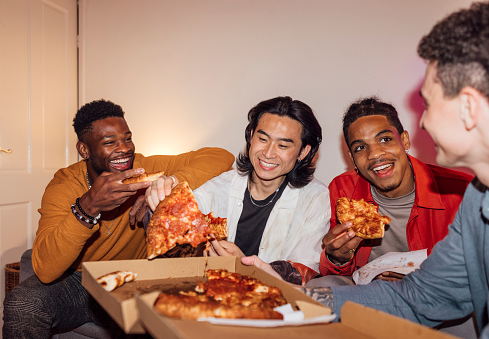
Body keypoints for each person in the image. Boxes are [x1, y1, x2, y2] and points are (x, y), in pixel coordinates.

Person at [243, 2, 489, 337]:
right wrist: (293, 296)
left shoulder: (463, 192)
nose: (424, 121)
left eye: (428, 104)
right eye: (359, 147)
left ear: (470, 108)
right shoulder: (478, 201)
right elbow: (426, 296)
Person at [2, 99, 234, 337]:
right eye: (109, 142)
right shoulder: (64, 186)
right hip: (81, 282)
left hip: (135, 278)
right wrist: (87, 208)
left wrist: (168, 184)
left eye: (127, 138)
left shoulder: (144, 169)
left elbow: (221, 156)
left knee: (173, 317)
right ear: (84, 150)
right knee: (22, 303)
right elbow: (45, 270)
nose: (124, 148)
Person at [310, 97, 472, 286]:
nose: (375, 154)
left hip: (440, 290)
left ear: (404, 140)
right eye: (361, 148)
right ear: (352, 158)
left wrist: (424, 278)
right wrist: (337, 258)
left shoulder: (460, 191)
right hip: (371, 291)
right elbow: (336, 271)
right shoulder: (343, 190)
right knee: (319, 286)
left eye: (385, 139)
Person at [192, 96, 330, 285]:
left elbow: (304, 269)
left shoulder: (315, 198)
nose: (268, 153)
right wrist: (159, 197)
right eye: (263, 139)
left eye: (282, 145)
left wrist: (244, 267)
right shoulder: (224, 184)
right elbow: (183, 213)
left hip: (275, 302)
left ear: (303, 152)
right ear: (250, 136)